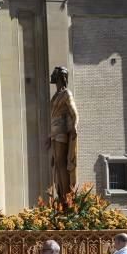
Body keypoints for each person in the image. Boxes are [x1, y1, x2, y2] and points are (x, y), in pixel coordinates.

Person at [45, 66, 79, 202]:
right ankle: (61, 195)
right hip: (54, 134)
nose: (51, 76)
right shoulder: (56, 96)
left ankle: (66, 197)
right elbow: (53, 117)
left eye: (54, 74)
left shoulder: (66, 94)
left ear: (60, 77)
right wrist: (49, 136)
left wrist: (75, 125)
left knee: (61, 163)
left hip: (61, 134)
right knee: (56, 166)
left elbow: (74, 111)